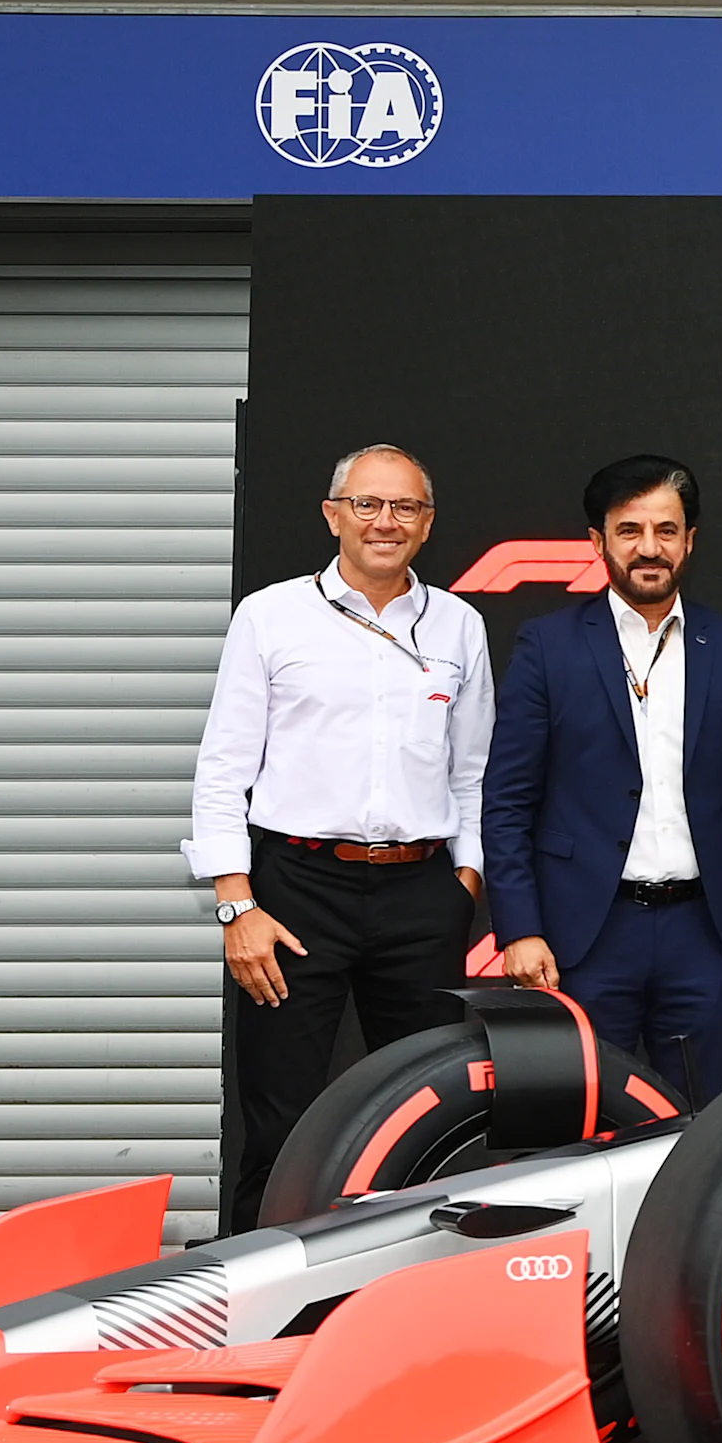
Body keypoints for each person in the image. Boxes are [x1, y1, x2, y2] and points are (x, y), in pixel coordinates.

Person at [186, 443, 493, 1232]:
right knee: (281, 1115)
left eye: (405, 507)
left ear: (427, 524)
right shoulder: (270, 615)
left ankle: (402, 1297)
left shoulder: (459, 625)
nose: (385, 522)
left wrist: (464, 885)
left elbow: (474, 773)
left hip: (421, 895)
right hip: (295, 892)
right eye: (367, 504)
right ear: (333, 515)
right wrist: (235, 905)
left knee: (426, 1114)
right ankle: (258, 1300)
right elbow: (223, 770)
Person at [480, 454, 722, 1101]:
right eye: (629, 531)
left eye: (666, 530)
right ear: (597, 542)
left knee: (700, 1123)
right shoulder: (549, 647)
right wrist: (519, 927)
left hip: (703, 935)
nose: (649, 548)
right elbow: (508, 799)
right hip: (586, 936)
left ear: (690, 540)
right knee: (585, 1121)